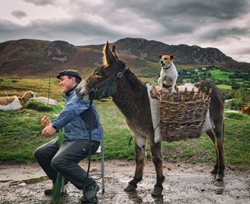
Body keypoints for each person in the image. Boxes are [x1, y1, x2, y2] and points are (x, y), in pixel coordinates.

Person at [34, 69, 102, 203]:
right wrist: (52, 123)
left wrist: (54, 127)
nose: (60, 83)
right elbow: (70, 117)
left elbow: (71, 110)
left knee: (59, 161)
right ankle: (61, 182)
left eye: (62, 79)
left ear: (73, 80)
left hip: (87, 139)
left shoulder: (82, 93)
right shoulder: (72, 96)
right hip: (71, 138)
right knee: (41, 153)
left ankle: (89, 185)